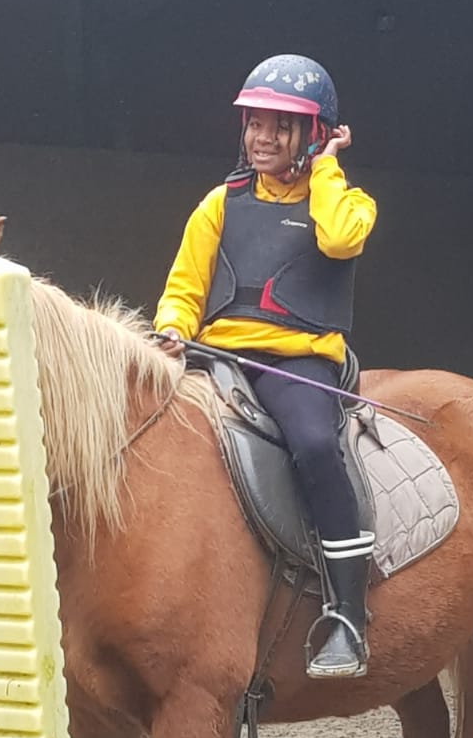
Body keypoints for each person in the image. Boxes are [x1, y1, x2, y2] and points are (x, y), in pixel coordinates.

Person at [154, 54, 377, 679]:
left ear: (314, 134)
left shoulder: (350, 204)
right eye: (255, 123)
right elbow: (183, 288)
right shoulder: (219, 204)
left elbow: (337, 240)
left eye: (281, 127)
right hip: (215, 357)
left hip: (297, 364)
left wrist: (327, 166)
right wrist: (173, 327)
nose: (262, 138)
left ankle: (347, 615)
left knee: (312, 443)